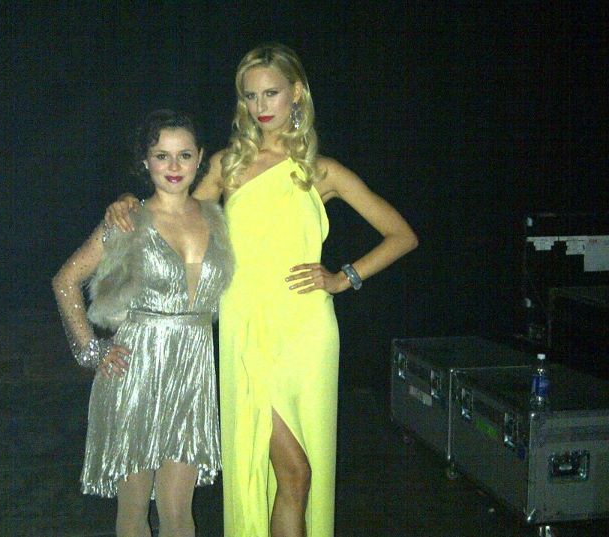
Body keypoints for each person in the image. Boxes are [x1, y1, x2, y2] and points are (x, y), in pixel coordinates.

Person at [105, 43, 418, 537]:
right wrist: (128, 201)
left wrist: (343, 277)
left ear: (297, 93)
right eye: (250, 96)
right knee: (295, 470)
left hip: (308, 328)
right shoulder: (228, 165)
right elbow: (171, 212)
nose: (261, 106)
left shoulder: (322, 171)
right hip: (247, 324)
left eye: (271, 93)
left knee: (299, 475)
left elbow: (401, 235)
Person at [52, 109, 234, 537]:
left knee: (178, 512)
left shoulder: (218, 218)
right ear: (145, 161)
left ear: (200, 158)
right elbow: (65, 280)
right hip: (136, 369)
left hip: (192, 372)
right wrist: (91, 351)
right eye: (161, 155)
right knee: (133, 510)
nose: (173, 166)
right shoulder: (128, 219)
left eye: (184, 155)